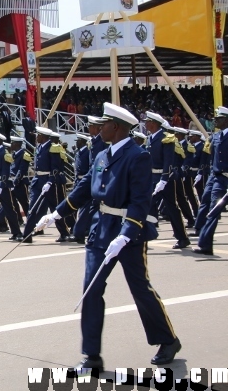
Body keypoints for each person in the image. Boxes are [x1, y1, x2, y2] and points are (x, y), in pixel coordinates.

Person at [36, 102, 181, 370]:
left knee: (141, 290)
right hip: (100, 231)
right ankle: (92, 356)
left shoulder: (138, 156)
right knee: (91, 290)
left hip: (128, 234)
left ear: (116, 127)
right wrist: (56, 214)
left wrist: (126, 235)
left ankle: (168, 340)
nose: (99, 128)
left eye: (103, 124)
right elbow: (84, 187)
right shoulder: (102, 155)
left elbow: (140, 201)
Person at [144, 112, 190, 250]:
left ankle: (182, 238)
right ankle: (147, 232)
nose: (145, 124)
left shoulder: (166, 138)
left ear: (154, 123)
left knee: (171, 208)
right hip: (152, 177)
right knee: (147, 205)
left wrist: (164, 179)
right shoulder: (151, 138)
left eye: (147, 121)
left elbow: (168, 161)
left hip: (165, 179)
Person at [18, 126, 66, 243]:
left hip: (48, 181)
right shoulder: (39, 147)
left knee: (55, 209)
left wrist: (50, 181)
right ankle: (27, 234)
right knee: (32, 208)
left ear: (43, 137)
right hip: (38, 180)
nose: (36, 137)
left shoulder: (52, 148)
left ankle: (64, 232)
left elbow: (55, 168)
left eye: (38, 135)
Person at [194, 106, 228, 255]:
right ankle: (203, 239)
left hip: (226, 177)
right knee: (210, 205)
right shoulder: (216, 136)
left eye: (218, 118)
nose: (215, 120)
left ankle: (205, 242)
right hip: (216, 177)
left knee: (214, 209)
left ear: (226, 120)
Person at [68, 134, 92, 244]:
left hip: (85, 182)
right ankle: (77, 230)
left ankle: (79, 233)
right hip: (78, 181)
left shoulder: (88, 152)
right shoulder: (79, 152)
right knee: (74, 206)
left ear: (82, 141)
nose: (76, 142)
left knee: (83, 209)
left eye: (78, 141)